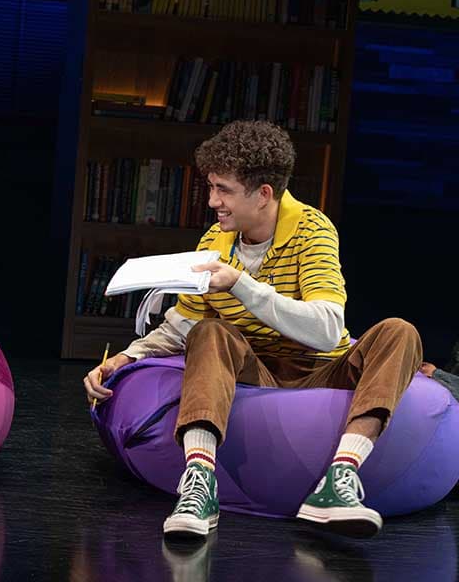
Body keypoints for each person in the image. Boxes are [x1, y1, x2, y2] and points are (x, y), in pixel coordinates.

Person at [83, 120, 422, 539]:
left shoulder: (312, 230)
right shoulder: (215, 241)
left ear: (263, 195)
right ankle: (199, 486)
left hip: (321, 369)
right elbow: (182, 324)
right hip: (254, 372)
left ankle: (338, 481)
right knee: (208, 332)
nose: (212, 201)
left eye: (223, 190)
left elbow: (326, 328)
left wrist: (242, 285)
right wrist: (125, 357)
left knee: (399, 331)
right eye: (211, 188)